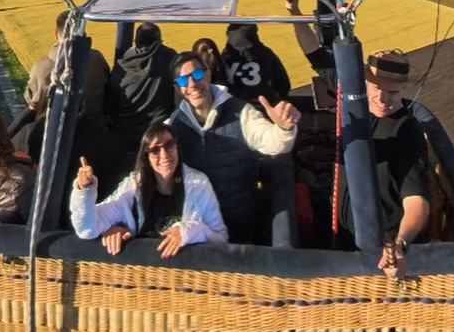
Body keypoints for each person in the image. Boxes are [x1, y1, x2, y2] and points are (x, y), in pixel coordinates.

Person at [168, 51, 298, 243]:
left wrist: (283, 128)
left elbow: (273, 142)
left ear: (208, 74)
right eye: (183, 81)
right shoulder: (173, 126)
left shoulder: (242, 113)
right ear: (178, 89)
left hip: (241, 226)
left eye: (197, 75)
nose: (192, 84)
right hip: (198, 230)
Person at [70, 120, 227, 258]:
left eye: (169, 145)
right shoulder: (132, 187)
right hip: (144, 281)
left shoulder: (199, 184)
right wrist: (85, 190)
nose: (164, 155)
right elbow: (87, 228)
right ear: (146, 156)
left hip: (185, 279)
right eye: (155, 150)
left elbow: (221, 240)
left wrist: (192, 231)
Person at [336, 50, 429, 279]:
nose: (384, 100)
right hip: (340, 236)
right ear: (365, 84)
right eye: (377, 90)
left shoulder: (406, 131)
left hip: (375, 252)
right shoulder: (354, 113)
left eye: (393, 93)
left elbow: (416, 201)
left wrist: (400, 244)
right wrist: (295, 13)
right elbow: (317, 56)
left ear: (404, 89)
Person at [25, 11, 110, 118]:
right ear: (83, 33)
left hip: (53, 128)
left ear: (56, 35)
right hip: (93, 126)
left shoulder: (41, 68)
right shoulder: (97, 59)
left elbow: (33, 104)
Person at [106, 22, 177, 142]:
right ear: (159, 41)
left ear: (136, 42)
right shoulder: (170, 58)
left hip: (127, 133)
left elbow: (112, 98)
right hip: (160, 131)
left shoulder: (123, 63)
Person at [220, 23, 291, 107]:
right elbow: (283, 84)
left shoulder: (225, 57)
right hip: (264, 106)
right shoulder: (265, 53)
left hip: (235, 109)